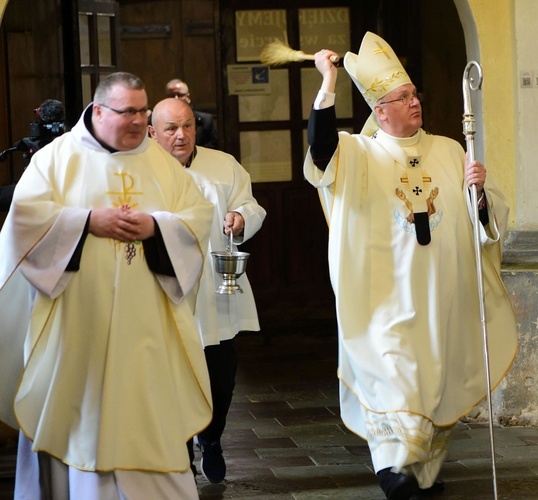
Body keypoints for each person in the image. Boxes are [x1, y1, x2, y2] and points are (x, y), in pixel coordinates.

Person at [304, 31, 517, 500]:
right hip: (384, 302)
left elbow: (483, 221)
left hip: (441, 299)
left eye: (414, 93)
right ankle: (395, 473)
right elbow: (320, 154)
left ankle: (419, 478)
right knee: (396, 381)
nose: (415, 102)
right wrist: (327, 86)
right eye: (402, 97)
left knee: (434, 385)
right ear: (379, 111)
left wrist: (479, 193)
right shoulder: (358, 153)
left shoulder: (449, 150)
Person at [0, 72, 214, 499]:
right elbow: (23, 222)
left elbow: (197, 217)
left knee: (147, 416)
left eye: (143, 111)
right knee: (77, 417)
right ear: (98, 111)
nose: (138, 121)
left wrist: (157, 225)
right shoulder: (56, 158)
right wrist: (85, 222)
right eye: (127, 112)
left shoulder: (160, 163)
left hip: (146, 326)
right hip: (78, 321)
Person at [149, 97, 267, 483]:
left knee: (221, 374)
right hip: (164, 293)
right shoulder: (139, 170)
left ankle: (211, 438)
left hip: (215, 292)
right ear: (153, 132)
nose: (181, 135)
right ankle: (179, 452)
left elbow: (250, 204)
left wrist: (240, 217)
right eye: (171, 128)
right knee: (169, 376)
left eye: (187, 126)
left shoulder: (223, 164)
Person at [166, 78, 219, 149]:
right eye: (171, 95)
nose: (176, 98)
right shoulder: (155, 120)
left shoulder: (205, 120)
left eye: (180, 95)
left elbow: (213, 144)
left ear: (188, 97)